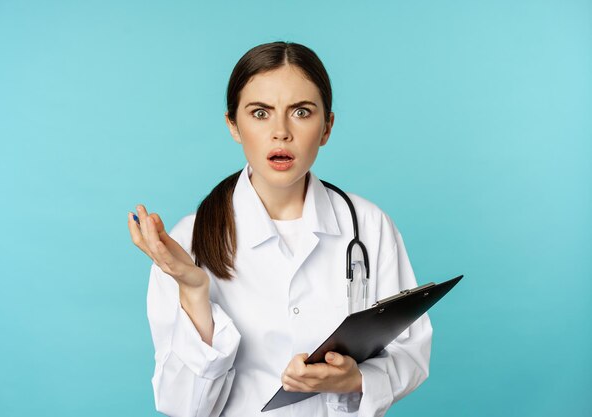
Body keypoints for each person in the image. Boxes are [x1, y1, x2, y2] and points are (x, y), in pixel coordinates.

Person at [127, 41, 432, 417]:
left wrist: (354, 380)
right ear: (233, 125)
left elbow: (411, 352)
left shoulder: (369, 225)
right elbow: (183, 406)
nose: (281, 132)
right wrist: (192, 290)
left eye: (301, 112)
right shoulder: (188, 242)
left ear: (327, 127)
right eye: (260, 113)